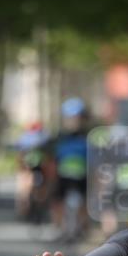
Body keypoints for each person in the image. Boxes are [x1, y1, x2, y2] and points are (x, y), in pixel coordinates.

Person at [49, 97, 90, 240]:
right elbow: (54, 158)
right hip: (63, 175)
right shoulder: (60, 137)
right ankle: (59, 228)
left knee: (84, 201)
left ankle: (82, 228)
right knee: (57, 201)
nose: (74, 121)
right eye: (71, 118)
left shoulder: (87, 136)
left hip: (82, 175)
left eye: (77, 118)